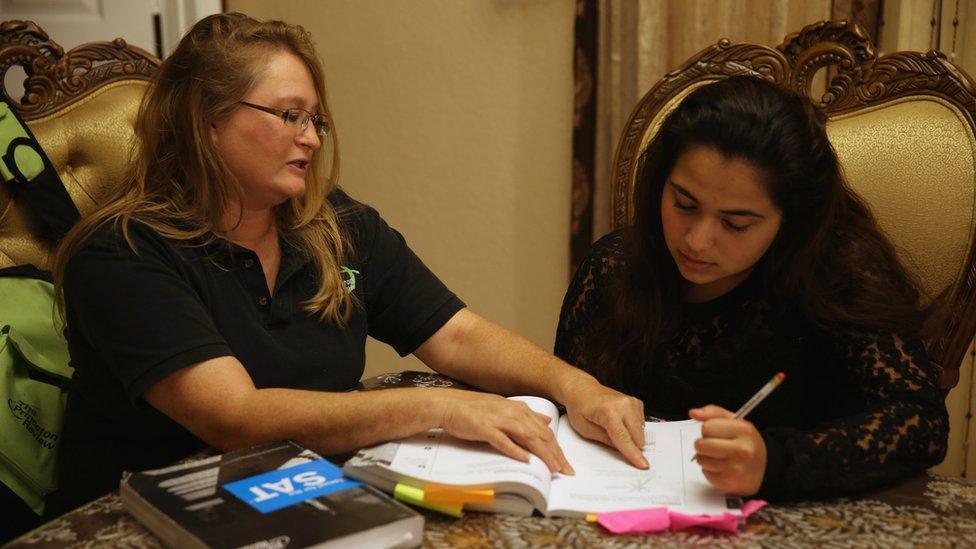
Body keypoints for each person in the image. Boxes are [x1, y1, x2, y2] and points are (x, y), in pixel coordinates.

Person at [46, 12, 646, 516]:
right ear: (205, 118)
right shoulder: (122, 251)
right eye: (290, 115)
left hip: (302, 498)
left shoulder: (338, 225)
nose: (311, 138)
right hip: (153, 516)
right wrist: (436, 406)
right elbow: (235, 415)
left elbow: (458, 335)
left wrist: (578, 387)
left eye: (316, 120)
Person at [554, 76, 949, 501]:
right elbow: (565, 401)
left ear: (791, 220)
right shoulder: (615, 266)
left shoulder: (840, 275)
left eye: (735, 223)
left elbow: (920, 424)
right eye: (684, 203)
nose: (697, 240)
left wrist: (776, 462)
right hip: (616, 509)